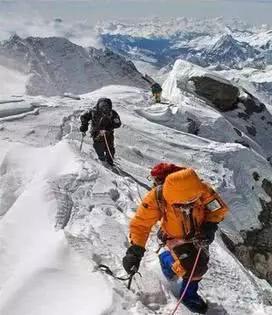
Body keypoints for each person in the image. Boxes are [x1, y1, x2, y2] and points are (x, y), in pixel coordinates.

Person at [122, 164, 229, 314]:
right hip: (174, 237)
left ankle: (167, 260)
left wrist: (210, 225)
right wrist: (135, 251)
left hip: (199, 234)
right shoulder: (157, 196)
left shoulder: (202, 189)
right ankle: (188, 296)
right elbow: (140, 224)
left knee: (200, 261)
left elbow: (218, 209)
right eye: (181, 205)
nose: (187, 207)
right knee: (196, 268)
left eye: (192, 202)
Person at [79, 98, 121, 166]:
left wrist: (109, 127)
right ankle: (102, 159)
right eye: (102, 105)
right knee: (98, 145)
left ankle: (110, 161)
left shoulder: (113, 114)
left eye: (106, 106)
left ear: (110, 106)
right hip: (96, 132)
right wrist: (84, 125)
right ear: (98, 105)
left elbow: (118, 124)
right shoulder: (93, 111)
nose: (104, 108)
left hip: (108, 133)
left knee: (109, 147)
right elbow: (84, 117)